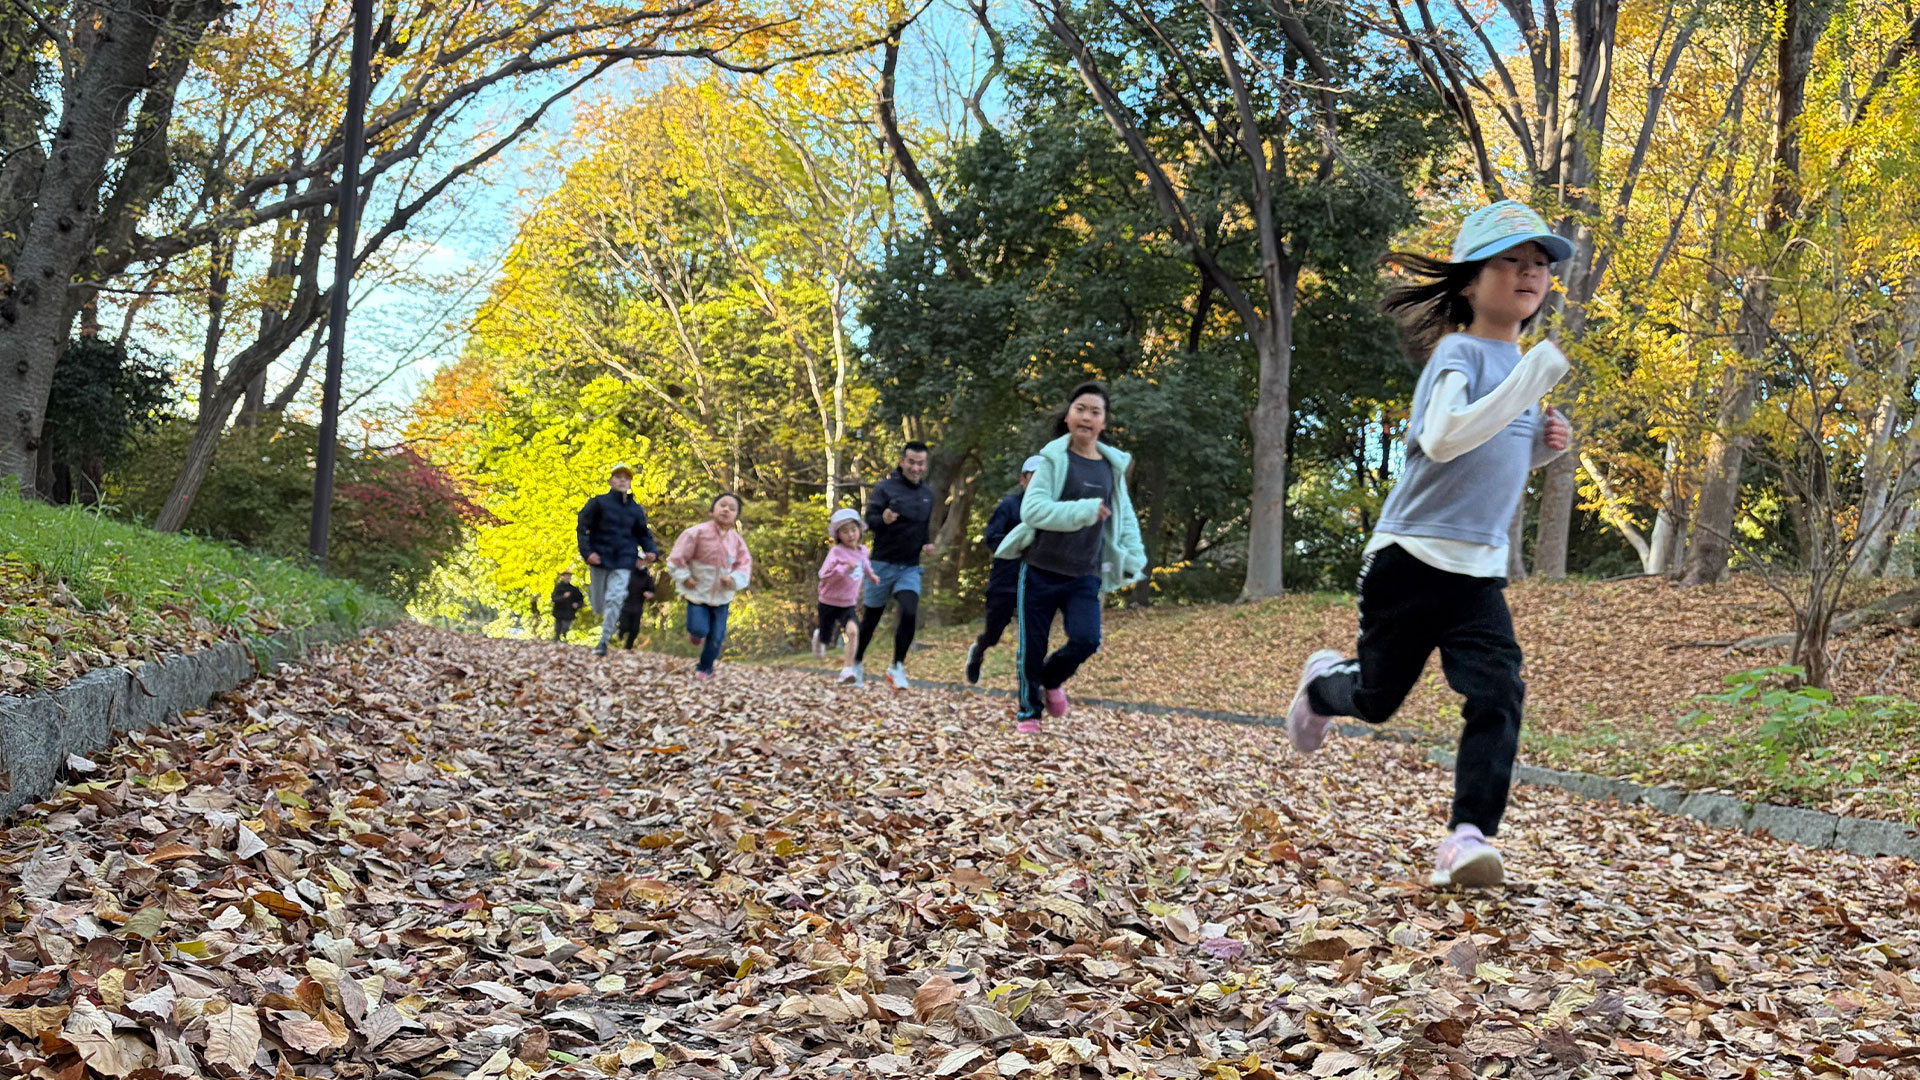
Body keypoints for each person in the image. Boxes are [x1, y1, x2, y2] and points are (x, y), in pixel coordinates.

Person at [1284, 200, 1574, 890]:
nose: (1530, 273)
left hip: (1478, 574)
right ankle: (1324, 688)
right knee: (1379, 700)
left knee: (1498, 691)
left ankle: (1467, 835)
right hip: (1409, 560)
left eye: (1539, 265)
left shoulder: (1517, 367)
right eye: (1513, 261)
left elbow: (1488, 458)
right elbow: (1444, 439)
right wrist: (1529, 384)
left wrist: (1538, 448)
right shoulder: (1459, 352)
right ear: (1471, 282)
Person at [992, 383, 1146, 733]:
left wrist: (1134, 555)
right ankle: (1029, 713)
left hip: (1084, 573)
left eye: (1095, 411)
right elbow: (1033, 511)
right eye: (1081, 408)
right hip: (1040, 569)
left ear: (1104, 423)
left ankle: (1051, 679)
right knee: (1031, 647)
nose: (1087, 416)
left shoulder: (1110, 467)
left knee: (1086, 639)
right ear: (1068, 416)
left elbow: (1126, 517)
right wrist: (1085, 510)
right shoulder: (1052, 460)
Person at [854, 442, 937, 689]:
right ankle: (856, 662)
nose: (915, 467)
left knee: (910, 610)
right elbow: (869, 520)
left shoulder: (928, 494)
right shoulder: (885, 488)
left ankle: (897, 666)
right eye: (911, 462)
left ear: (925, 465)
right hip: (881, 564)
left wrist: (927, 544)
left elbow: (923, 526)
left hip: (910, 566)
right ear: (902, 461)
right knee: (871, 619)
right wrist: (884, 519)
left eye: (920, 463)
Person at [966, 455, 1043, 685]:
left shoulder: (1052, 510)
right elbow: (991, 538)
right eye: (1035, 477)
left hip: (1036, 582)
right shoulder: (1009, 506)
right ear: (1023, 480)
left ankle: (1030, 682)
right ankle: (978, 650)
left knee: (1034, 633)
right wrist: (1019, 546)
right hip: (1005, 581)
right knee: (994, 632)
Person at [665, 493, 753, 681]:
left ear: (736, 516)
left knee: (716, 637)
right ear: (712, 510)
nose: (726, 510)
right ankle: (695, 635)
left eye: (732, 508)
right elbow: (676, 559)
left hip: (722, 597)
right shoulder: (695, 533)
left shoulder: (736, 541)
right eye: (722, 505)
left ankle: (705, 668)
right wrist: (685, 577)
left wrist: (733, 579)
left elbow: (744, 565)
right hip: (697, 593)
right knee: (699, 629)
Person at [576, 463, 659, 657]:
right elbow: (582, 527)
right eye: (619, 476)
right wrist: (587, 553)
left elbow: (643, 533)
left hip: (624, 560)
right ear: (611, 481)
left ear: (630, 483)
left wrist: (651, 550)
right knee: (598, 605)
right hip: (599, 558)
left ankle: (602, 642)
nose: (623, 480)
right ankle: (603, 625)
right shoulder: (597, 503)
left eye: (626, 477)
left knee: (616, 598)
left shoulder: (635, 510)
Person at [815, 508, 881, 684]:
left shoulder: (862, 551)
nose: (851, 535)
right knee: (826, 638)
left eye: (853, 529)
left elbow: (864, 563)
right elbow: (823, 575)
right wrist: (844, 569)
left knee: (853, 631)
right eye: (845, 531)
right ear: (838, 535)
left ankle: (847, 669)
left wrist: (871, 575)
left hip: (847, 604)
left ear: (860, 530)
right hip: (828, 601)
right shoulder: (836, 552)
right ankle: (819, 636)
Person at [617, 566, 656, 650]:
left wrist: (649, 594)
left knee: (634, 629)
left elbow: (652, 590)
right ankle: (620, 634)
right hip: (625, 604)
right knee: (624, 626)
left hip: (638, 606)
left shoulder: (647, 577)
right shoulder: (627, 573)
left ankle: (627, 648)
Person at [550, 571, 585, 641]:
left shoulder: (573, 589)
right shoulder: (558, 587)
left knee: (565, 627)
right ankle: (556, 639)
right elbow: (554, 598)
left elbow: (581, 600)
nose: (567, 578)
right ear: (562, 577)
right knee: (558, 628)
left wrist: (577, 605)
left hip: (569, 612)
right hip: (559, 611)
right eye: (565, 576)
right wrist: (563, 597)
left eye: (569, 576)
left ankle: (563, 637)